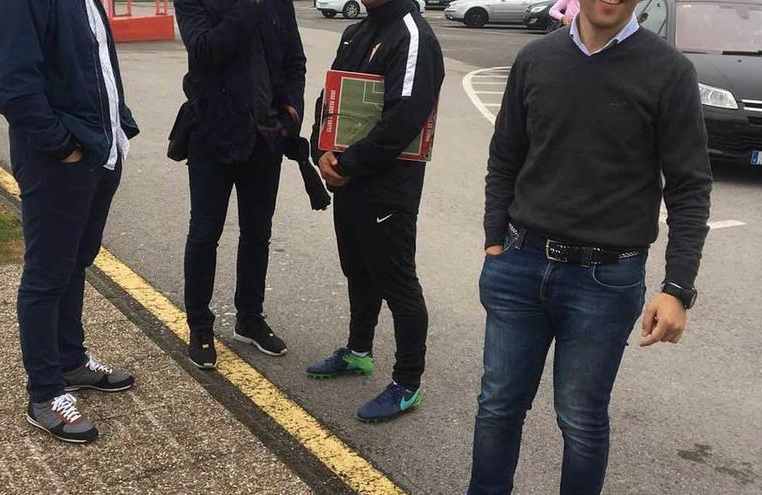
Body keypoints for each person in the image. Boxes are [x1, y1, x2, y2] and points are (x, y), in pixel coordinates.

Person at [467, 0, 712, 492]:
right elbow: (506, 155)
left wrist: (678, 287)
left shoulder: (669, 72)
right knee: (497, 407)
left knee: (581, 419)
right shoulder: (536, 59)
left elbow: (689, 186)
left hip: (605, 281)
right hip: (519, 263)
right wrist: (495, 238)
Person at [0, 0, 140, 444]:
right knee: (46, 274)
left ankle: (70, 361)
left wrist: (118, 127)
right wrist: (61, 147)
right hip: (60, 160)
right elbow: (15, 86)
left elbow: (99, 67)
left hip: (100, 151)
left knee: (76, 262)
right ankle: (45, 392)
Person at [307, 0, 444, 423]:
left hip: (388, 188)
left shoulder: (413, 35)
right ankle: (359, 351)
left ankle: (407, 382)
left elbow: (404, 118)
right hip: (349, 181)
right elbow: (330, 100)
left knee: (397, 281)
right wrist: (321, 149)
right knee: (358, 269)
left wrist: (348, 165)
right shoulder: (357, 32)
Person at [175, 0, 306, 368]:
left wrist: (291, 113)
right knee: (204, 234)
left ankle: (249, 318)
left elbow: (295, 61)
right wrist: (248, 8)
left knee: (257, 233)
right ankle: (199, 325)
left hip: (265, 139)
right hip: (212, 136)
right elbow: (204, 50)